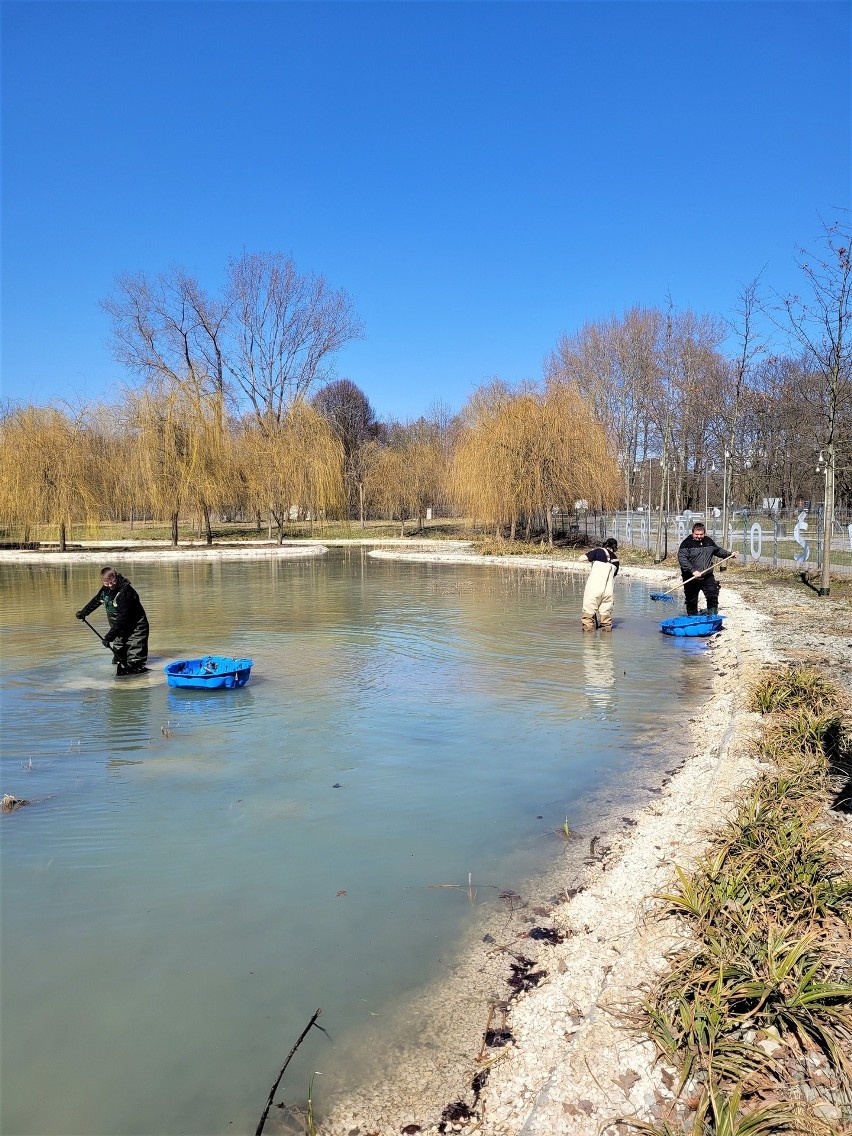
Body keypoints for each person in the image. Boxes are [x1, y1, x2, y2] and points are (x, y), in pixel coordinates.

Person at [76, 566, 149, 675]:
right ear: (103, 581)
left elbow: (122, 619)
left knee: (135, 662)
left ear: (116, 576)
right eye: (107, 583)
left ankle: (138, 678)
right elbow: (97, 600)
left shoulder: (126, 593)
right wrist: (84, 612)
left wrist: (109, 637)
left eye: (113, 582)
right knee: (118, 659)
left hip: (136, 629)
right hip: (119, 630)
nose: (110, 585)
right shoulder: (106, 589)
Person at [677, 522, 737, 616]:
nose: (699, 536)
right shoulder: (686, 544)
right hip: (691, 577)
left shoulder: (708, 541)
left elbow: (717, 550)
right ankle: (692, 618)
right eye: (697, 534)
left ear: (704, 533)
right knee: (691, 600)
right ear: (692, 533)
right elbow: (682, 559)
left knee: (712, 594)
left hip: (707, 575)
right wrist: (693, 571)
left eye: (701, 534)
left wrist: (729, 554)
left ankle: (712, 615)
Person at [581, 537, 619, 632]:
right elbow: (613, 576)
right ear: (614, 548)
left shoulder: (598, 551)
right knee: (606, 619)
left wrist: (591, 555)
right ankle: (606, 641)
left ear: (605, 544)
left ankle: (588, 640)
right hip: (608, 590)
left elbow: (581, 559)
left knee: (588, 616)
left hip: (595, 587)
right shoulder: (616, 560)